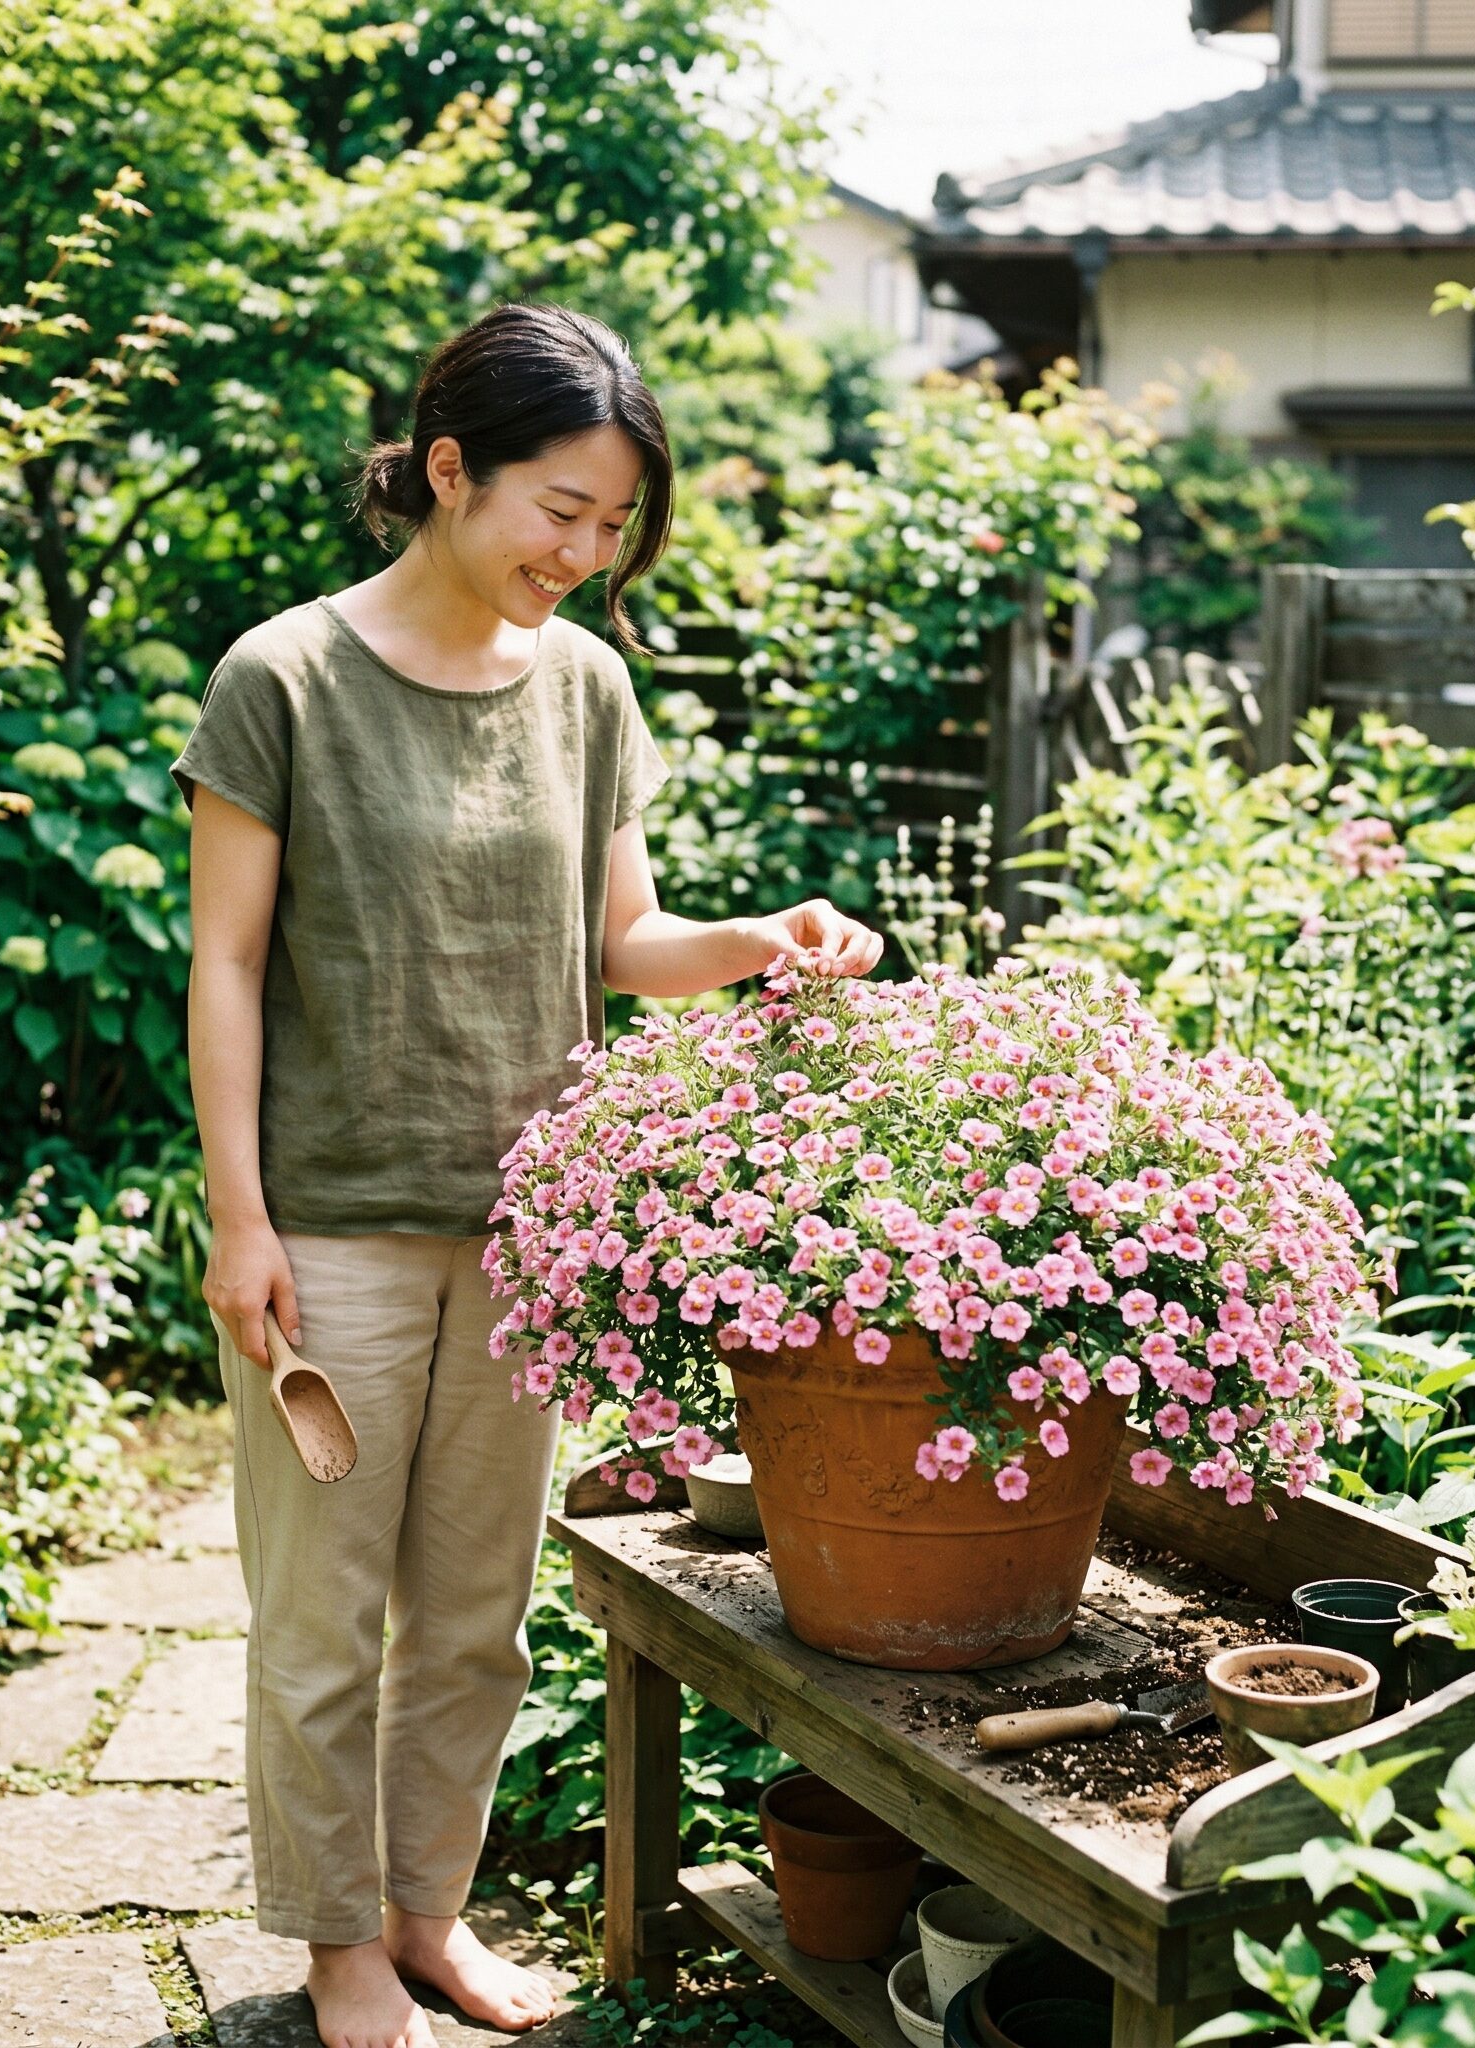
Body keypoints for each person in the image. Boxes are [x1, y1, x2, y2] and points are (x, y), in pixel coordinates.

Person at [174, 301, 883, 2048]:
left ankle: (428, 1917)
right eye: (558, 508)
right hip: (328, 1230)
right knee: (324, 1625)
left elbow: (618, 935)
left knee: (479, 1623)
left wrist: (759, 937)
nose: (586, 551)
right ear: (446, 472)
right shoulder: (286, 677)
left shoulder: (588, 688)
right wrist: (240, 1219)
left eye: (614, 522)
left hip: (529, 1235)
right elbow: (229, 964)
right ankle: (336, 1942)